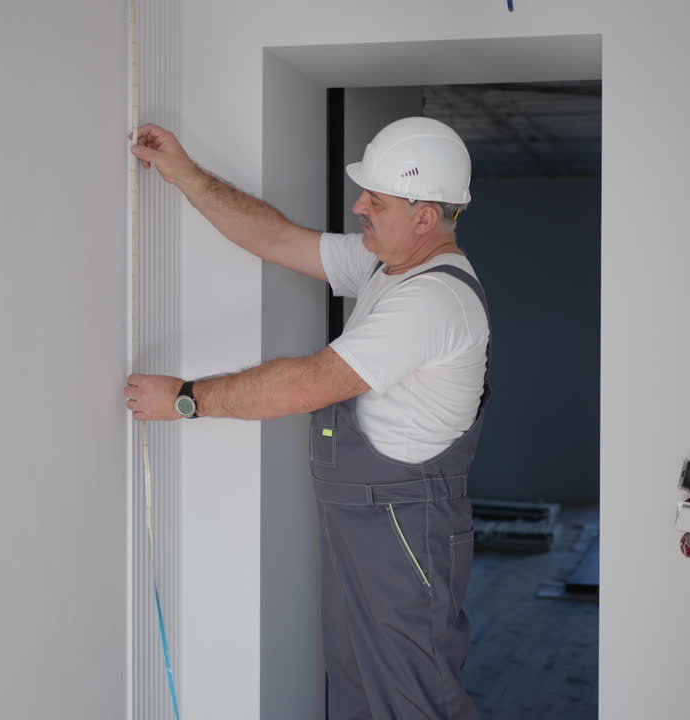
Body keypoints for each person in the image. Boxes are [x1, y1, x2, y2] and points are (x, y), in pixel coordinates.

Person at [126, 116, 489, 720]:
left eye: (375, 198)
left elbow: (309, 384)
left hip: (406, 531)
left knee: (411, 700)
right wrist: (183, 173)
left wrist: (187, 398)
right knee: (356, 687)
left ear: (424, 217)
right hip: (366, 522)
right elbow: (275, 238)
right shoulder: (385, 267)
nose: (359, 206)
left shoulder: (431, 301)